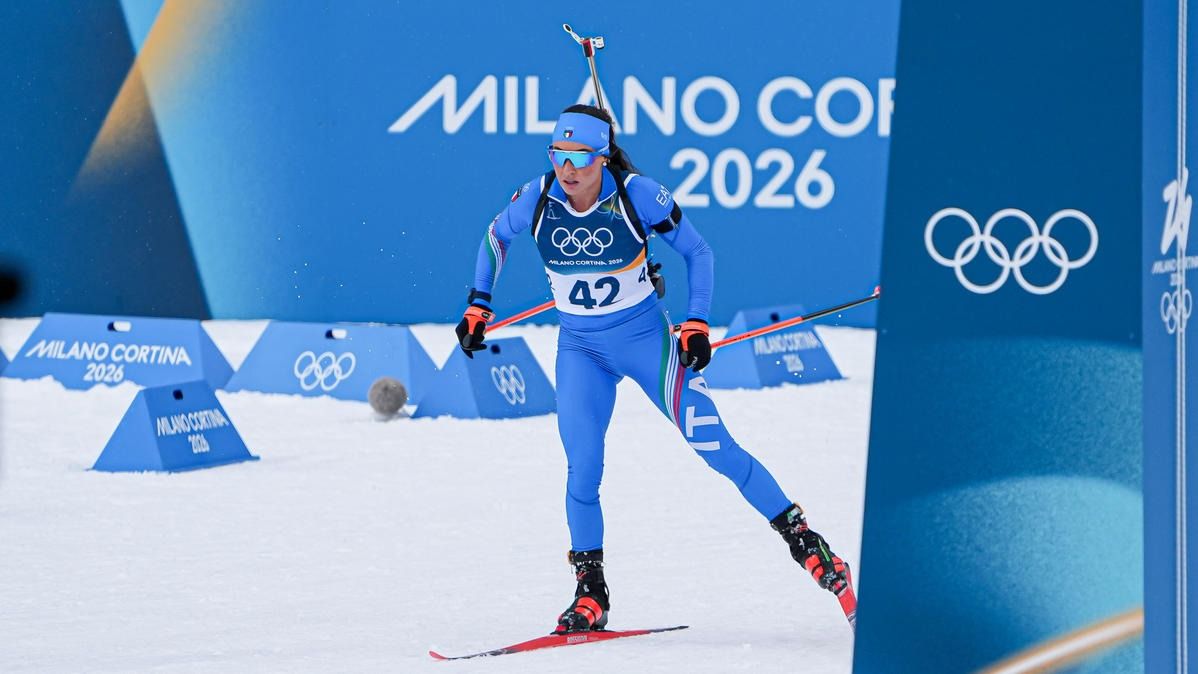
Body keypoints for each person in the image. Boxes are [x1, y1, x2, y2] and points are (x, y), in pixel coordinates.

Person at [456, 104, 851, 633]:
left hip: (647, 345)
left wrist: (696, 322)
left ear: (602, 156)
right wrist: (479, 303)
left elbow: (699, 252)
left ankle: (811, 546)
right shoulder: (537, 197)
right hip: (581, 351)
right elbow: (494, 237)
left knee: (716, 447)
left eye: (580, 157)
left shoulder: (637, 194)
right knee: (582, 468)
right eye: (558, 154)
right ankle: (590, 593)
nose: (567, 168)